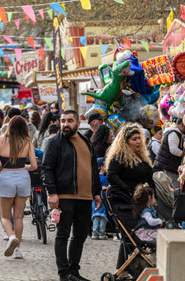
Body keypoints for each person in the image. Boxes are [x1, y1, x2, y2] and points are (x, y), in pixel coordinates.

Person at [42, 110, 102, 281]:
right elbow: (47, 169)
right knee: (63, 235)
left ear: (77, 122)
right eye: (62, 121)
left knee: (81, 235)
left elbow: (93, 170)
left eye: (69, 121)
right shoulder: (55, 142)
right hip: (64, 196)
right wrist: (52, 193)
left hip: (85, 197)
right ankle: (64, 274)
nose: (65, 124)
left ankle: (74, 272)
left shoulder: (86, 142)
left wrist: (97, 192)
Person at [105, 123, 154, 270]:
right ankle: (130, 267)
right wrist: (128, 190)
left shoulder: (141, 157)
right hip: (125, 202)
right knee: (132, 235)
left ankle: (124, 268)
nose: (138, 141)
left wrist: (153, 195)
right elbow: (111, 175)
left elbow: (149, 178)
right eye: (134, 139)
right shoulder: (120, 157)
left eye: (139, 138)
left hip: (142, 202)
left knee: (131, 236)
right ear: (125, 142)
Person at [0, 116, 38, 259]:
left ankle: (11, 236)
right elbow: (34, 166)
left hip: (6, 177)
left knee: (5, 216)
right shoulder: (27, 142)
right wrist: (25, 166)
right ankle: (18, 250)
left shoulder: (0, 140)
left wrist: (0, 167)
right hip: (23, 177)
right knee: (18, 216)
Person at [91, 158, 109, 240]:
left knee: (96, 217)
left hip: (94, 201)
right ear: (102, 167)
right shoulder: (104, 178)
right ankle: (102, 233)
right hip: (101, 200)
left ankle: (94, 233)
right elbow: (104, 190)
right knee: (102, 218)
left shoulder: (94, 177)